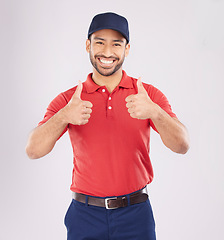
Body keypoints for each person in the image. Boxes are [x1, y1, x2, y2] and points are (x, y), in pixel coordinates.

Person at [26, 12, 189, 240]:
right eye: (100, 43)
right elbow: (33, 150)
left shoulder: (147, 96)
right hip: (84, 216)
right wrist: (64, 116)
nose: (107, 52)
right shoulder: (70, 99)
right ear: (88, 46)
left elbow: (182, 145)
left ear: (127, 49)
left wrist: (155, 112)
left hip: (136, 214)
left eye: (116, 44)